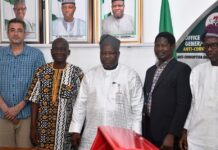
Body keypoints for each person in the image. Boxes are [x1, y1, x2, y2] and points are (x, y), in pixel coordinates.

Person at [69, 34, 144, 149]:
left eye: (111, 53)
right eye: (103, 53)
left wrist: (137, 134)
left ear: (118, 54)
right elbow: (80, 105)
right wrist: (75, 129)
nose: (107, 57)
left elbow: (137, 109)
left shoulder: (130, 76)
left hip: (121, 134)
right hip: (92, 134)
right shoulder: (90, 75)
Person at [25, 37, 84, 150]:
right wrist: (32, 128)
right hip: (43, 130)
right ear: (51, 52)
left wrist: (78, 130)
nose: (59, 52)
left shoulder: (77, 73)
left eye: (63, 49)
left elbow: (81, 104)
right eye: (56, 49)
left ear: (68, 52)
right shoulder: (41, 71)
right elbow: (34, 101)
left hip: (67, 131)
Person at [142, 32, 192, 149]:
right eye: (157, 45)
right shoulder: (150, 71)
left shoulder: (182, 69)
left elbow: (183, 105)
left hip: (167, 134)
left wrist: (172, 134)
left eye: (164, 45)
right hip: (148, 131)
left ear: (172, 47)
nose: (160, 49)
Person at [0, 18, 45, 147]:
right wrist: (5, 108)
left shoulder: (36, 55)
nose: (15, 33)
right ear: (7, 33)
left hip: (27, 116)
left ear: (25, 34)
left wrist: (18, 107)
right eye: (12, 30)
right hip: (2, 115)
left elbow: (39, 85)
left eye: (19, 30)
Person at [179, 25, 218, 150]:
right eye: (206, 46)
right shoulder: (197, 71)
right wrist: (185, 130)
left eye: (214, 45)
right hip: (197, 136)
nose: (209, 49)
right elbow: (193, 104)